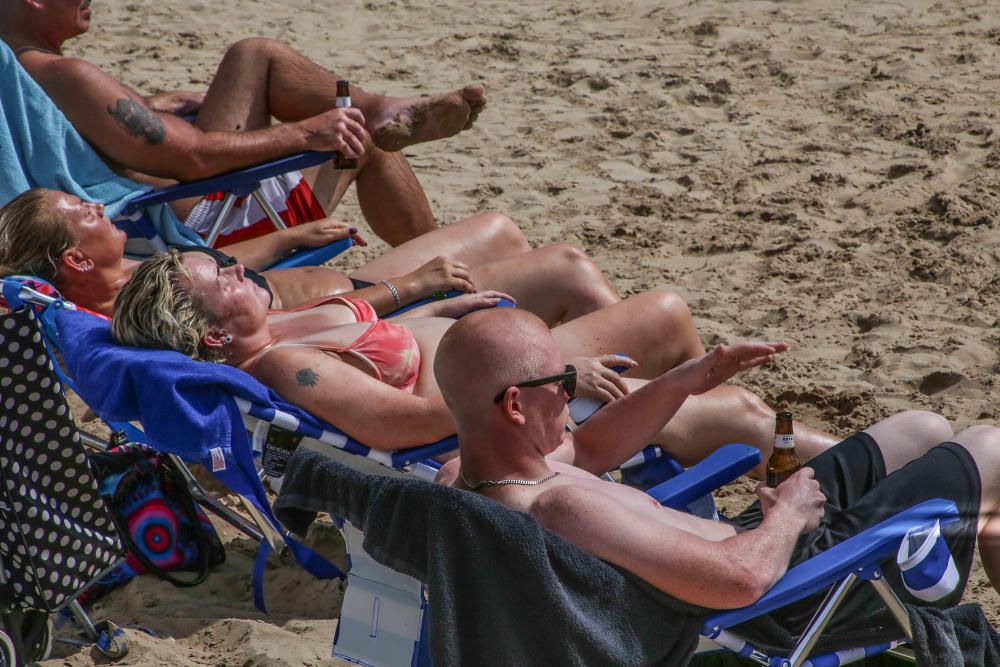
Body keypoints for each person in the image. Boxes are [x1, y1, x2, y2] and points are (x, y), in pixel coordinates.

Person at [431, 308, 1000, 643]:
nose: (572, 391)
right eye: (563, 383)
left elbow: (591, 446)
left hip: (754, 544)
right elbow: (740, 583)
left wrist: (683, 381)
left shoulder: (467, 478)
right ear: (513, 406)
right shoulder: (562, 511)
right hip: (793, 591)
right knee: (992, 448)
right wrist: (790, 516)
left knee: (921, 428)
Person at [110, 249, 836, 470]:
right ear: (210, 335)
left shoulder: (271, 331)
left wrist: (427, 313)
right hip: (506, 407)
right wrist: (550, 381)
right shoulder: (286, 370)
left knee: (665, 346)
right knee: (733, 409)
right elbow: (403, 425)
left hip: (491, 370)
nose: (240, 269)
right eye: (224, 280)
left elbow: (373, 349)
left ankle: (675, 435)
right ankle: (860, 465)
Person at [0, 0, 487, 246]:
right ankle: (439, 273)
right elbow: (193, 158)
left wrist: (148, 104)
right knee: (362, 139)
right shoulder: (68, 75)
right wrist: (306, 132)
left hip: (170, 216)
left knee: (251, 59)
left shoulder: (21, 76)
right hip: (208, 228)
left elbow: (78, 137)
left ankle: (380, 107)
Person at [0, 187, 640, 328]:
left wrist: (280, 240)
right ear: (75, 261)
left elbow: (213, 265)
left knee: (499, 229)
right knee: (567, 268)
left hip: (349, 287)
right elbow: (278, 332)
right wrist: (411, 286)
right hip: (367, 322)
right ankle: (654, 414)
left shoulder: (125, 280)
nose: (99, 207)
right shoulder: (130, 313)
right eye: (85, 216)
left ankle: (540, 368)